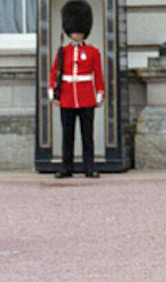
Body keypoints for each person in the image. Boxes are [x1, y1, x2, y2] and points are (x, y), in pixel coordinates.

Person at [48, 0, 103, 179]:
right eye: (73, 31)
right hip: (67, 97)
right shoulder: (63, 51)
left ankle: (89, 167)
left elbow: (98, 74)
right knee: (67, 136)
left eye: (79, 31)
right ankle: (67, 167)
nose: (76, 35)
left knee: (87, 136)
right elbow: (55, 72)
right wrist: (52, 92)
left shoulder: (93, 51)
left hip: (86, 97)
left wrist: (99, 93)